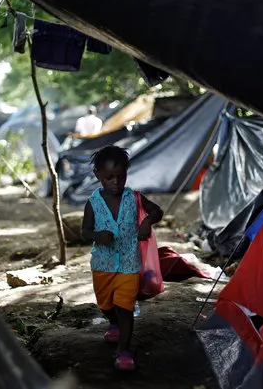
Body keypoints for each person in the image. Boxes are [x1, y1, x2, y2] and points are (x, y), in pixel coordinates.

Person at [81, 145, 164, 371]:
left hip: (129, 263)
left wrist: (146, 222)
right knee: (106, 305)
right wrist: (98, 235)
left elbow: (157, 211)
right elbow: (85, 231)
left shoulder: (135, 198)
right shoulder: (93, 202)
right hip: (102, 264)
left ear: (127, 173)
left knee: (125, 307)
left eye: (120, 176)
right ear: (98, 175)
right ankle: (113, 322)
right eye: (109, 177)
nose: (116, 182)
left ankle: (124, 351)